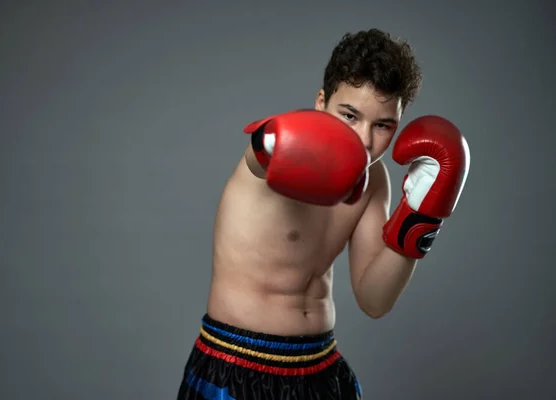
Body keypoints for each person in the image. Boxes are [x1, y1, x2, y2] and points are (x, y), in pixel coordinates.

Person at [176, 28, 470, 400]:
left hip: (320, 367)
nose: (364, 139)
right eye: (350, 115)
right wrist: (273, 140)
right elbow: (260, 155)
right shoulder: (280, 151)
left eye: (383, 125)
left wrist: (420, 215)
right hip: (237, 368)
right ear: (321, 103)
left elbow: (374, 299)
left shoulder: (374, 179)